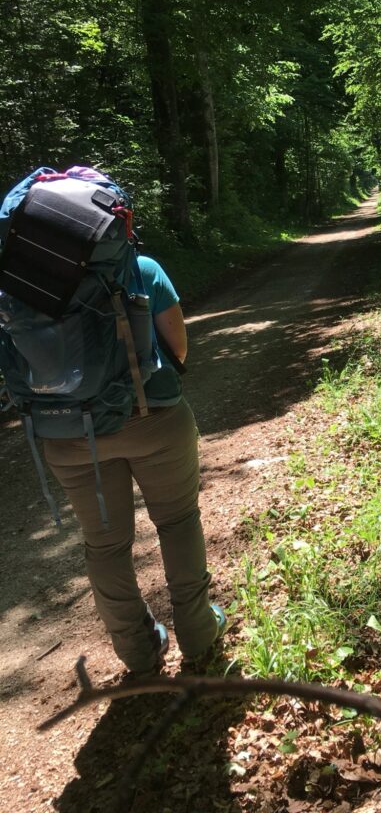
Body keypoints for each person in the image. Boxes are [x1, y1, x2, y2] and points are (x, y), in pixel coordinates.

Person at [41, 252, 226, 677]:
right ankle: (198, 633)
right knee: (178, 522)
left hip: (69, 436)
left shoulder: (22, 287)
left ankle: (139, 652)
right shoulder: (140, 270)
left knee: (104, 544)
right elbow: (177, 348)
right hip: (153, 417)